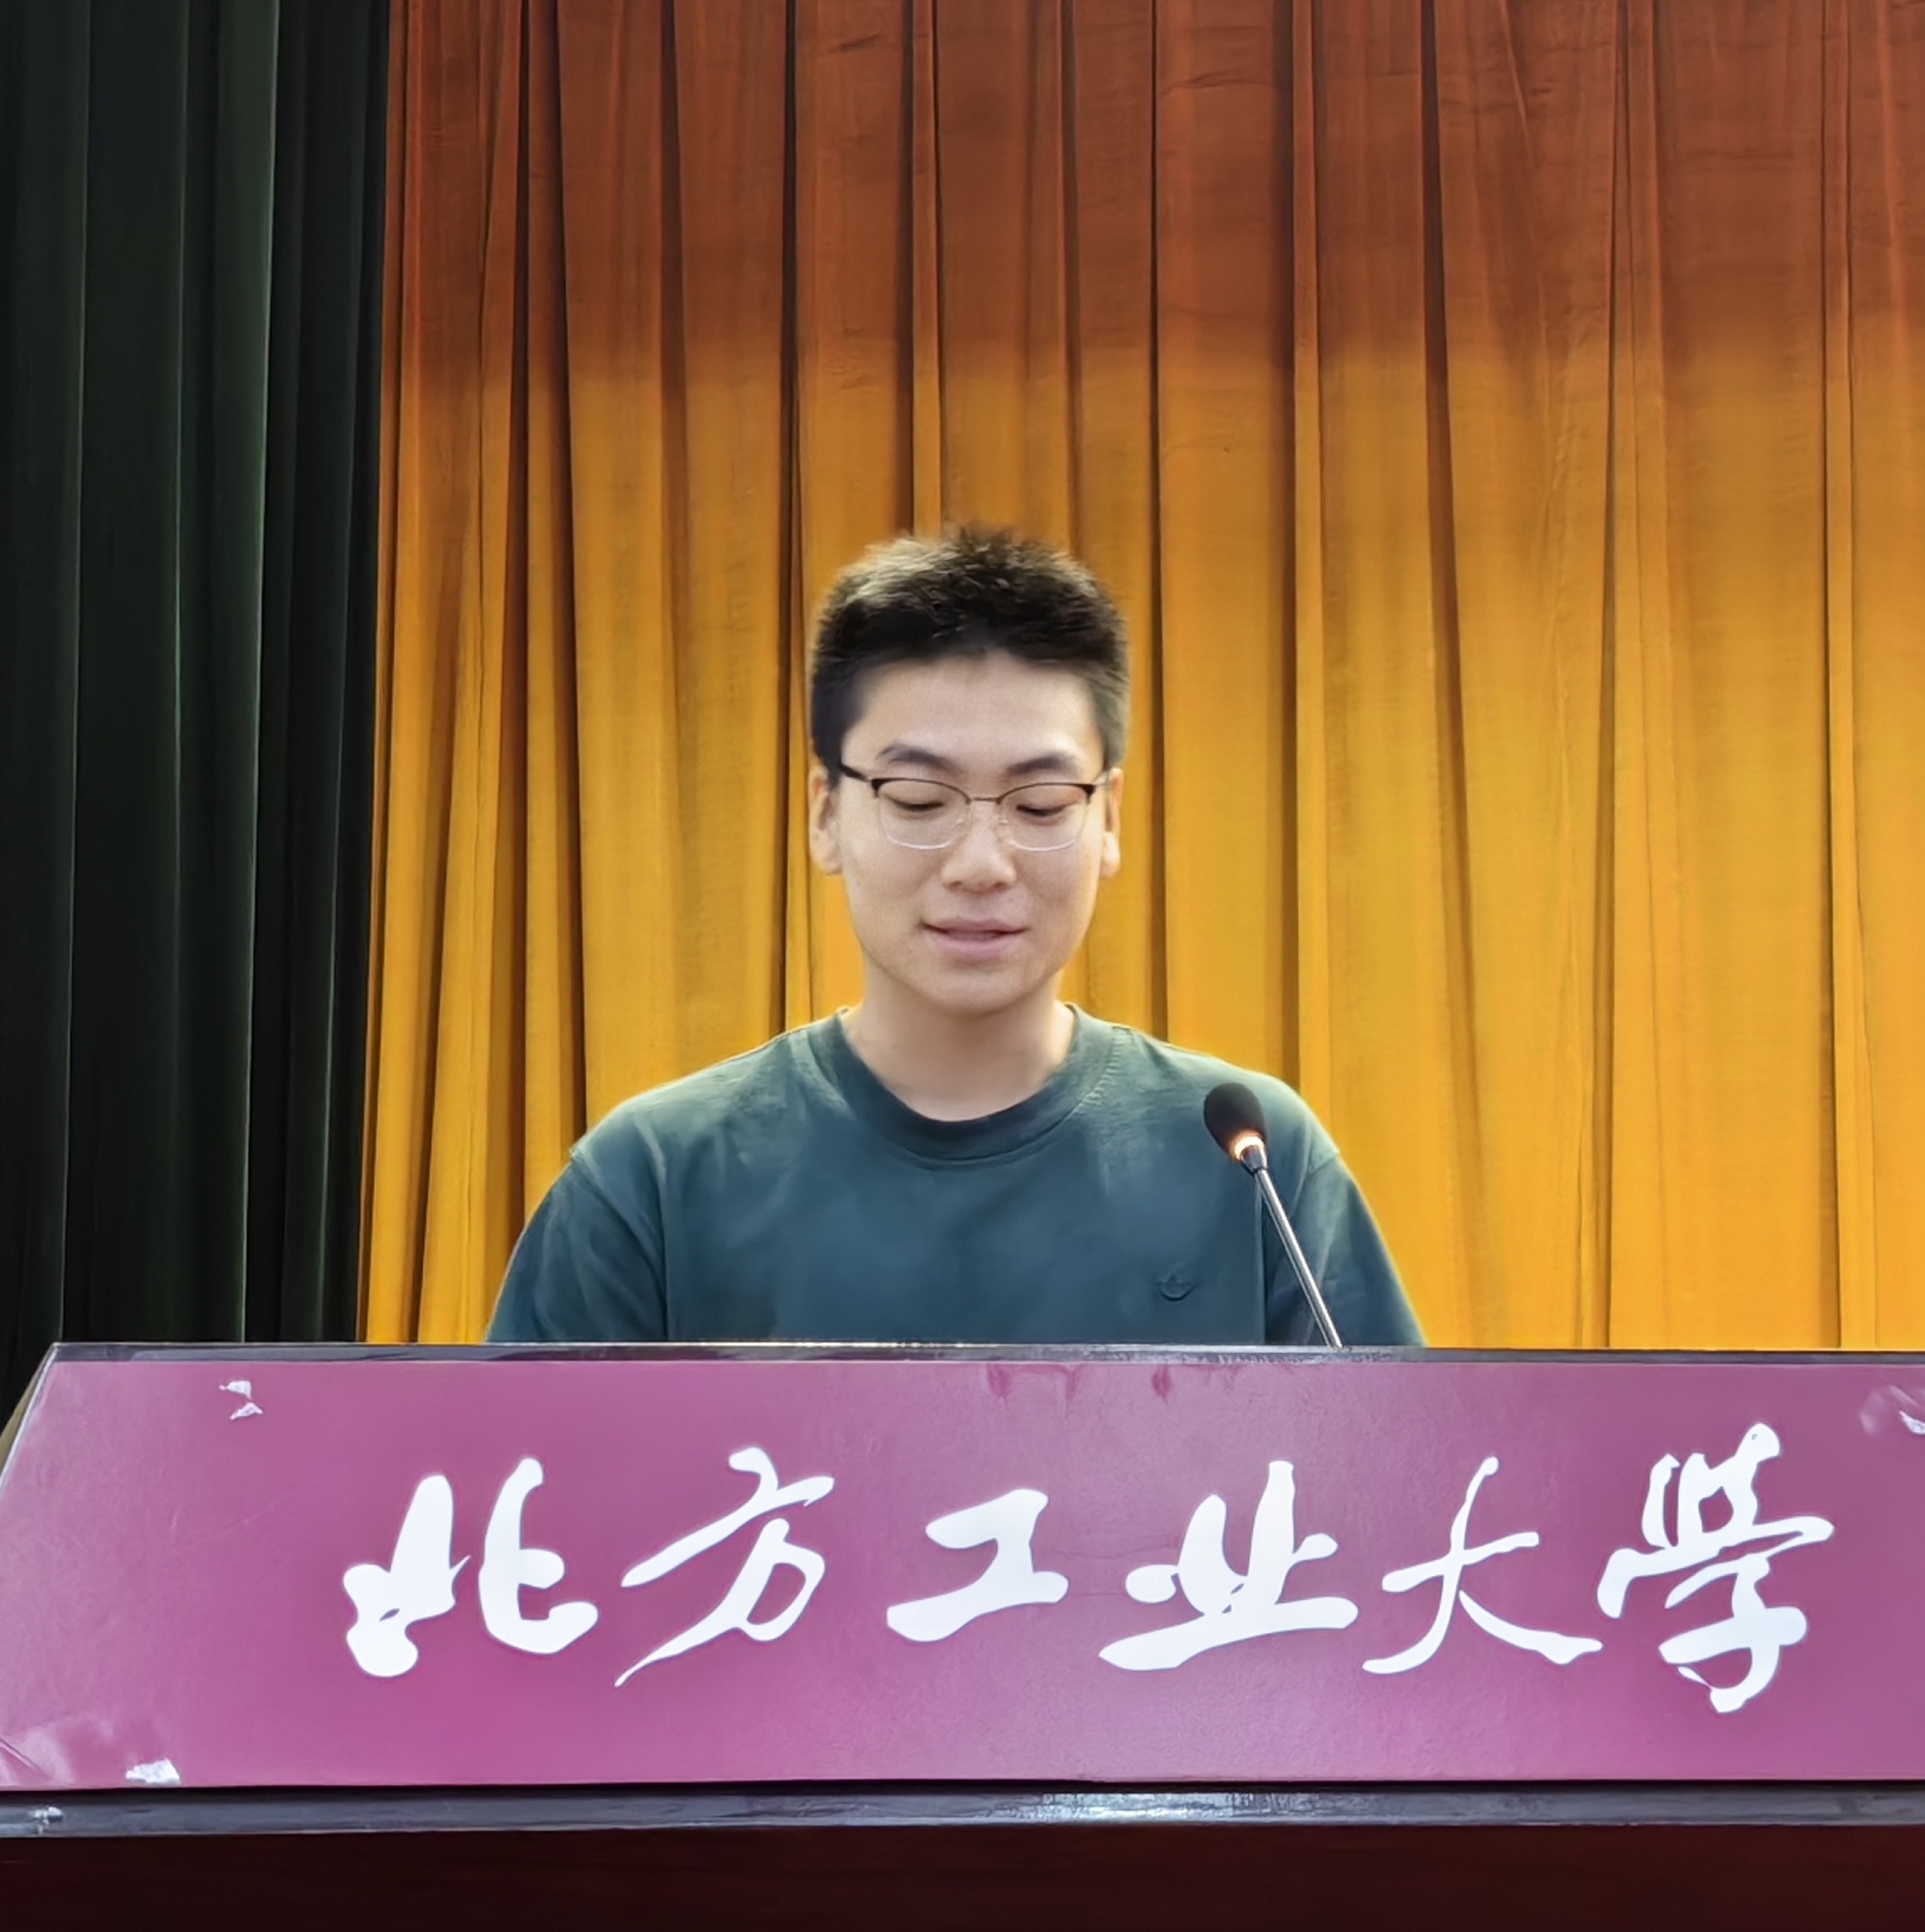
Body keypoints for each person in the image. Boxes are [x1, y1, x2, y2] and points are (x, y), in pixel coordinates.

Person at [486, 526, 1420, 1347]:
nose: (981, 863)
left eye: (1040, 803)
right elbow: (526, 1485)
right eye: (919, 799)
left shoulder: (1251, 1161)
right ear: (825, 815)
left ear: (1108, 819)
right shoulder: (652, 1179)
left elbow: (1393, 1473)